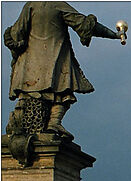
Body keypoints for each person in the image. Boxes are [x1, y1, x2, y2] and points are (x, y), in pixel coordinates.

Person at [4, 1, 121, 139]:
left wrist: (17, 49)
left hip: (30, 65)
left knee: (30, 98)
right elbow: (85, 25)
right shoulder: (58, 5)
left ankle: (39, 124)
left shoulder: (30, 5)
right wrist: (114, 35)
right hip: (56, 60)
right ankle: (54, 123)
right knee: (62, 92)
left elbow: (16, 33)